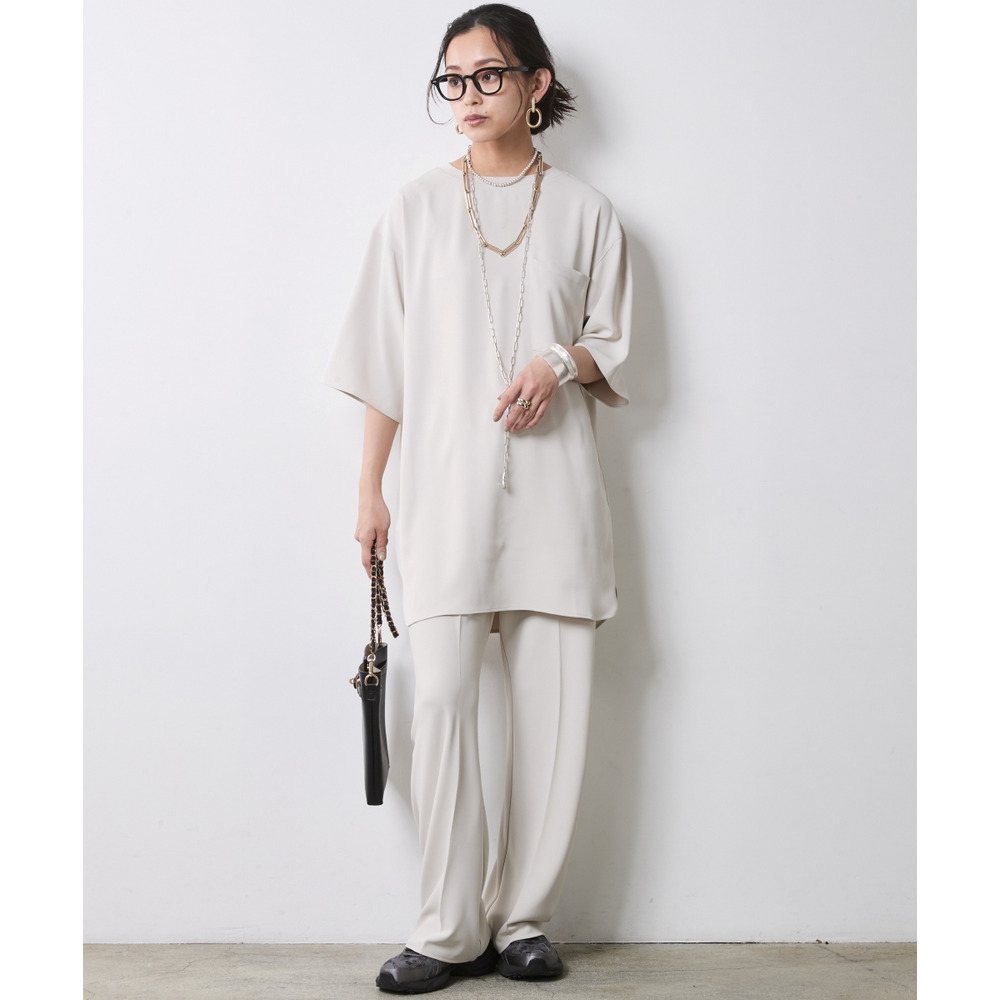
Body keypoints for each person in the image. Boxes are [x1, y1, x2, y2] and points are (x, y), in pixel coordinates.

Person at [323, 4, 632, 992]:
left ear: (537, 84)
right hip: (442, 496)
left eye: (488, 75)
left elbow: (614, 341)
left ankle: (525, 921)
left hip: (554, 498)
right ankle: (449, 928)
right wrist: (369, 492)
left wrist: (558, 362)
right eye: (451, 80)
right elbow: (382, 367)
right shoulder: (414, 210)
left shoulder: (586, 211)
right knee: (445, 706)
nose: (466, 95)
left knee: (552, 718)